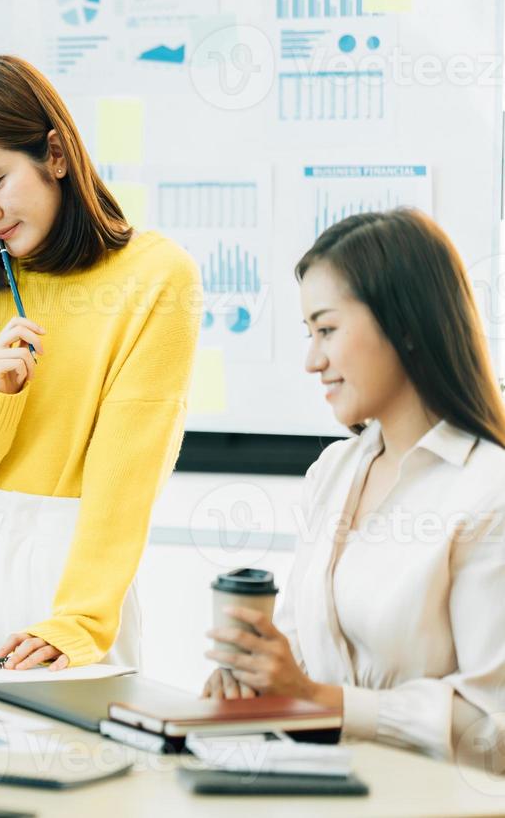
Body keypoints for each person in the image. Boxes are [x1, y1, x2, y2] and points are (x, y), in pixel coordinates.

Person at [0, 55, 202, 671]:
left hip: (69, 597)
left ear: (55, 155)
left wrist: (81, 622)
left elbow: (127, 475)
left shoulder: (154, 276)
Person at [202, 209, 505, 772]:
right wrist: (253, 681)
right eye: (309, 333)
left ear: (405, 324)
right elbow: (296, 651)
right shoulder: (334, 472)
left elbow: (494, 730)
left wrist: (321, 701)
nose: (312, 360)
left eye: (327, 329)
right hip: (317, 786)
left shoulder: (490, 491)